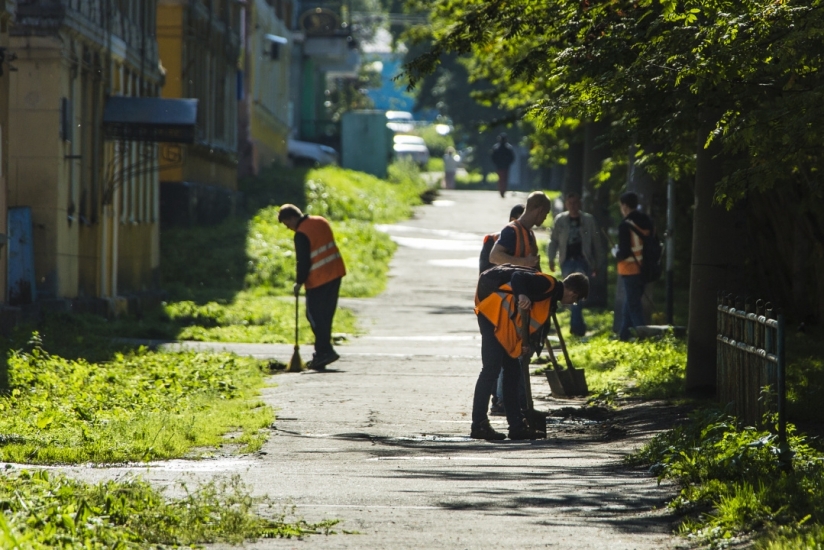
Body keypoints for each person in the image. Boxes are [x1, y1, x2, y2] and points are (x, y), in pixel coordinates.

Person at [471, 268, 590, 440]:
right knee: (491, 369)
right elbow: (518, 277)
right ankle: (479, 424)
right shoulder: (547, 283)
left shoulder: (550, 299)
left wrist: (526, 346)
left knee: (512, 371)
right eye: (575, 300)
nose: (572, 303)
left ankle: (517, 426)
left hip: (505, 326)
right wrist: (522, 295)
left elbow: (529, 324)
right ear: (573, 292)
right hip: (492, 315)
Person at [278, 204, 346, 370]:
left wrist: (299, 282)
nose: (289, 229)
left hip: (318, 279)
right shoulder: (321, 221)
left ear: (292, 218)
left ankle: (325, 351)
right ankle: (321, 352)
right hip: (335, 273)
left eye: (288, 225)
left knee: (314, 316)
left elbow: (303, 261)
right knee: (326, 316)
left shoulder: (301, 234)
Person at [478, 203, 526, 416]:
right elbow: (487, 275)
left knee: (513, 361)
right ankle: (498, 403)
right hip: (495, 310)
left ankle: (514, 406)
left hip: (516, 310)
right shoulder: (495, 242)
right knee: (495, 363)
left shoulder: (527, 243)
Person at [547, 192, 599, 337]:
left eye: (576, 203)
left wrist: (597, 263)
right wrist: (551, 259)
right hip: (567, 261)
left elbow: (596, 243)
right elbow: (554, 241)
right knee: (571, 292)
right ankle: (578, 326)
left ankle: (576, 327)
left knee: (577, 291)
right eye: (570, 203)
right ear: (566, 204)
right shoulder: (561, 220)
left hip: (584, 260)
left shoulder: (588, 220)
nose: (573, 206)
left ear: (580, 203)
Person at [614, 191, 653, 341]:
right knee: (630, 303)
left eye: (621, 206)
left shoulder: (625, 225)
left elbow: (624, 252)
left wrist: (615, 253)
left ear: (624, 206)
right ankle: (624, 336)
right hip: (646, 269)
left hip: (630, 270)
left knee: (634, 306)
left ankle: (644, 339)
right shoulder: (647, 221)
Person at [488, 190, 551, 269]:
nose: (545, 217)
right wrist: (524, 262)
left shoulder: (530, 234)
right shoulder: (511, 230)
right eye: (546, 213)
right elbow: (494, 256)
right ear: (540, 210)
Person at [479, 203, 525, 274]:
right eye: (522, 222)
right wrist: (524, 262)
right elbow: (484, 275)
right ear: (512, 220)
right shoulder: (492, 240)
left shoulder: (529, 240)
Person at [489, 133, 516, 198]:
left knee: (502, 179)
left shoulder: (498, 148)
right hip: (503, 166)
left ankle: (502, 190)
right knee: (504, 179)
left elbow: (493, 157)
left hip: (502, 166)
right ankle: (502, 190)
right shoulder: (507, 148)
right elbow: (512, 157)